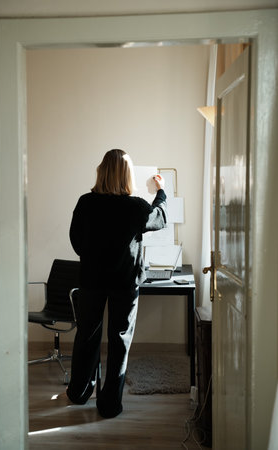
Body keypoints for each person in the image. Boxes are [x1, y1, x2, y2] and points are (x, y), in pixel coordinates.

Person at [67, 149, 167, 418]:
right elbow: (160, 219)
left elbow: (76, 241)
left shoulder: (85, 202)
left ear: (101, 171)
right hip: (125, 282)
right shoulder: (135, 207)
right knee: (119, 339)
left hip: (91, 280)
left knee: (87, 335)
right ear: (127, 175)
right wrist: (161, 192)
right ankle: (109, 405)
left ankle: (78, 393)